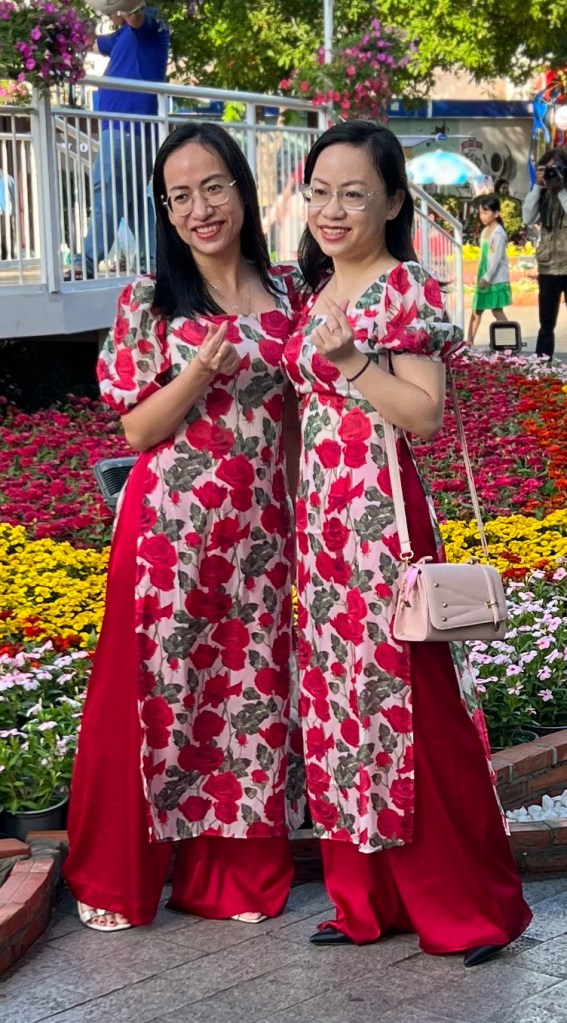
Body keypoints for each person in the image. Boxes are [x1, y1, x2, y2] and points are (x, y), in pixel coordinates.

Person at [283, 120, 532, 966]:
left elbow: (423, 412)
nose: (332, 209)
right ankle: (366, 902)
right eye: (319, 191)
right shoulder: (313, 287)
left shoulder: (404, 289)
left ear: (392, 201)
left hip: (383, 527)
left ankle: (465, 908)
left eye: (353, 193)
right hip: (322, 536)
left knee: (413, 713)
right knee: (339, 713)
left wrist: (353, 360)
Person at [63, 122, 303, 930]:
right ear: (165, 212)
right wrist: (198, 369)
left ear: (241, 189)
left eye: (213, 187)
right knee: (155, 700)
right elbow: (135, 429)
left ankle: (232, 878)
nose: (200, 208)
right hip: (170, 533)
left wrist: (303, 520)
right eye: (179, 196)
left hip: (261, 537)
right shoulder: (150, 300)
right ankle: (116, 878)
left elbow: (296, 422)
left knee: (247, 698)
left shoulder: (288, 293)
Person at [68, 2, 169, 280]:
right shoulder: (122, 35)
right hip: (125, 128)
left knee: (108, 190)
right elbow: (92, 43)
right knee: (133, 200)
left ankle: (87, 261)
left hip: (128, 127)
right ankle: (156, 261)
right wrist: (67, 25)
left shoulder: (150, 21)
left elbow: (135, 17)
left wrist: (120, 5)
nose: (110, 15)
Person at [522, 146, 567, 361]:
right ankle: (541, 365)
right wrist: (537, 187)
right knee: (546, 323)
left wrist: (561, 189)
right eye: (547, 169)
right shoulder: (542, 194)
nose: (552, 173)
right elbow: (528, 218)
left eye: (556, 168)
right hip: (549, 267)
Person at [467, 195, 512, 344]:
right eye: (481, 213)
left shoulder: (498, 233)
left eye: (486, 212)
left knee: (496, 310)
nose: (482, 216)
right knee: (476, 310)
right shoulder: (485, 231)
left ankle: (509, 341)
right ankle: (468, 343)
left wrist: (487, 277)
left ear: (496, 213)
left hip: (494, 278)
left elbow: (496, 259)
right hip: (484, 274)